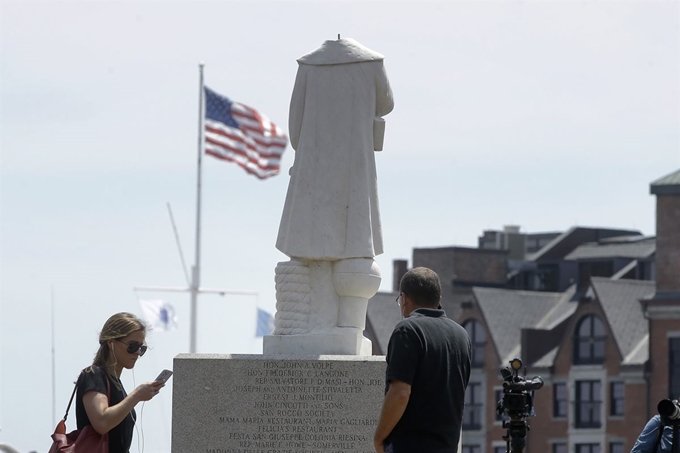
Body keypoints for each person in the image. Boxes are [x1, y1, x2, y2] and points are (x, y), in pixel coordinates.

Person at [374, 267, 472, 453]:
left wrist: (379, 439)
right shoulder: (462, 335)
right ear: (438, 299)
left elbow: (400, 393)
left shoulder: (407, 329)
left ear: (404, 299)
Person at [75, 312, 165, 453]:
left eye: (142, 348)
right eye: (132, 346)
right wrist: (136, 395)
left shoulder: (115, 384)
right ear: (111, 343)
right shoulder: (93, 375)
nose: (137, 352)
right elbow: (102, 422)